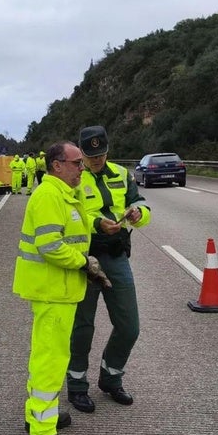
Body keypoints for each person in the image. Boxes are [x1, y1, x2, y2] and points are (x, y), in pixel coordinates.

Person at [13, 141, 111, 435]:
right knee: (51, 359)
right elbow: (50, 246)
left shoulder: (63, 193)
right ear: (57, 165)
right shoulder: (49, 195)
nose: (82, 168)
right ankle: (42, 432)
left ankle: (39, 414)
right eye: (77, 163)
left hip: (59, 290)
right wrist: (84, 262)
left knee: (48, 355)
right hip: (53, 291)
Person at [67, 125, 151, 414]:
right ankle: (77, 386)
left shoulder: (122, 174)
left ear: (107, 150)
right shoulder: (73, 177)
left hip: (116, 256)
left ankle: (111, 377)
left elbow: (138, 202)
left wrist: (139, 214)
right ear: (81, 153)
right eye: (90, 156)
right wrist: (95, 223)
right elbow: (71, 212)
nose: (96, 161)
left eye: (100, 154)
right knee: (82, 327)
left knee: (129, 326)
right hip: (85, 258)